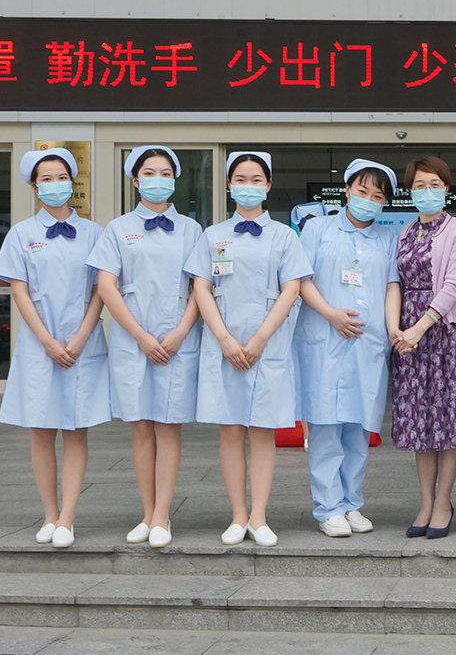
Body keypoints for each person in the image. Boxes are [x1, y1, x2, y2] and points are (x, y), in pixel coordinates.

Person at [187, 152, 312, 548]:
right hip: (223, 345)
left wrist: (259, 339)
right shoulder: (213, 235)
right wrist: (224, 338)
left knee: (261, 431)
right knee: (229, 430)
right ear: (229, 186)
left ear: (268, 186)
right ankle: (237, 515)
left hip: (267, 346)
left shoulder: (284, 236)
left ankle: (259, 516)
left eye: (256, 179)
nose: (248, 186)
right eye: (240, 179)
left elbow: (291, 289)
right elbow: (201, 287)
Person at [0, 148, 109, 549]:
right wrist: (46, 340)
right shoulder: (21, 234)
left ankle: (68, 518)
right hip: (38, 345)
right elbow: (19, 291)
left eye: (62, 178)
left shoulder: (94, 233)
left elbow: (101, 290)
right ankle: (49, 514)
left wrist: (80, 337)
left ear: (72, 182)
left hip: (83, 344)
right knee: (41, 430)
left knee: (76, 430)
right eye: (47, 179)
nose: (56, 185)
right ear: (34, 186)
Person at [88, 145, 202, 549]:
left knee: (168, 425)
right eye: (149, 173)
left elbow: (200, 288)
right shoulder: (117, 229)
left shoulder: (191, 229)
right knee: (140, 427)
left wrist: (180, 332)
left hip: (176, 339)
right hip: (132, 339)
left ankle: (162, 515)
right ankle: (147, 512)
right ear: (135, 181)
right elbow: (106, 287)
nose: (158, 179)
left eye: (165, 173)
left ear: (175, 180)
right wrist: (140, 335)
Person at [295, 159, 400, 537]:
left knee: (359, 426)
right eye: (362, 191)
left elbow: (392, 286)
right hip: (324, 340)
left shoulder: (388, 238)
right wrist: (330, 315)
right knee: (325, 425)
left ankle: (352, 503)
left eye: (378, 196)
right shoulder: (317, 229)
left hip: (367, 345)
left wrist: (391, 331)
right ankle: (328, 507)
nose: (369, 199)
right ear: (347, 191)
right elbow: (300, 279)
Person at [387, 156, 456, 539]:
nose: (428, 192)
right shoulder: (404, 232)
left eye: (435, 185)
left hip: (445, 332)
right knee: (420, 421)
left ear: (446, 189)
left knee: (447, 419)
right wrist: (397, 330)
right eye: (420, 186)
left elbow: (455, 284)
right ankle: (425, 501)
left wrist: (420, 328)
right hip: (409, 336)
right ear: (410, 192)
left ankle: (443, 502)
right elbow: (394, 282)